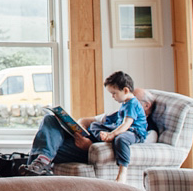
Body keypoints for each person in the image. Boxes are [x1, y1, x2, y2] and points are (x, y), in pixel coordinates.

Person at [20, 72, 153, 183]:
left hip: (89, 148)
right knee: (50, 120)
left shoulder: (148, 130)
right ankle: (39, 167)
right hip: (84, 137)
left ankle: (35, 170)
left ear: (146, 106)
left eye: (136, 98)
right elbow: (87, 120)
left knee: (43, 147)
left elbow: (125, 140)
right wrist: (79, 128)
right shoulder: (121, 111)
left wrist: (89, 146)